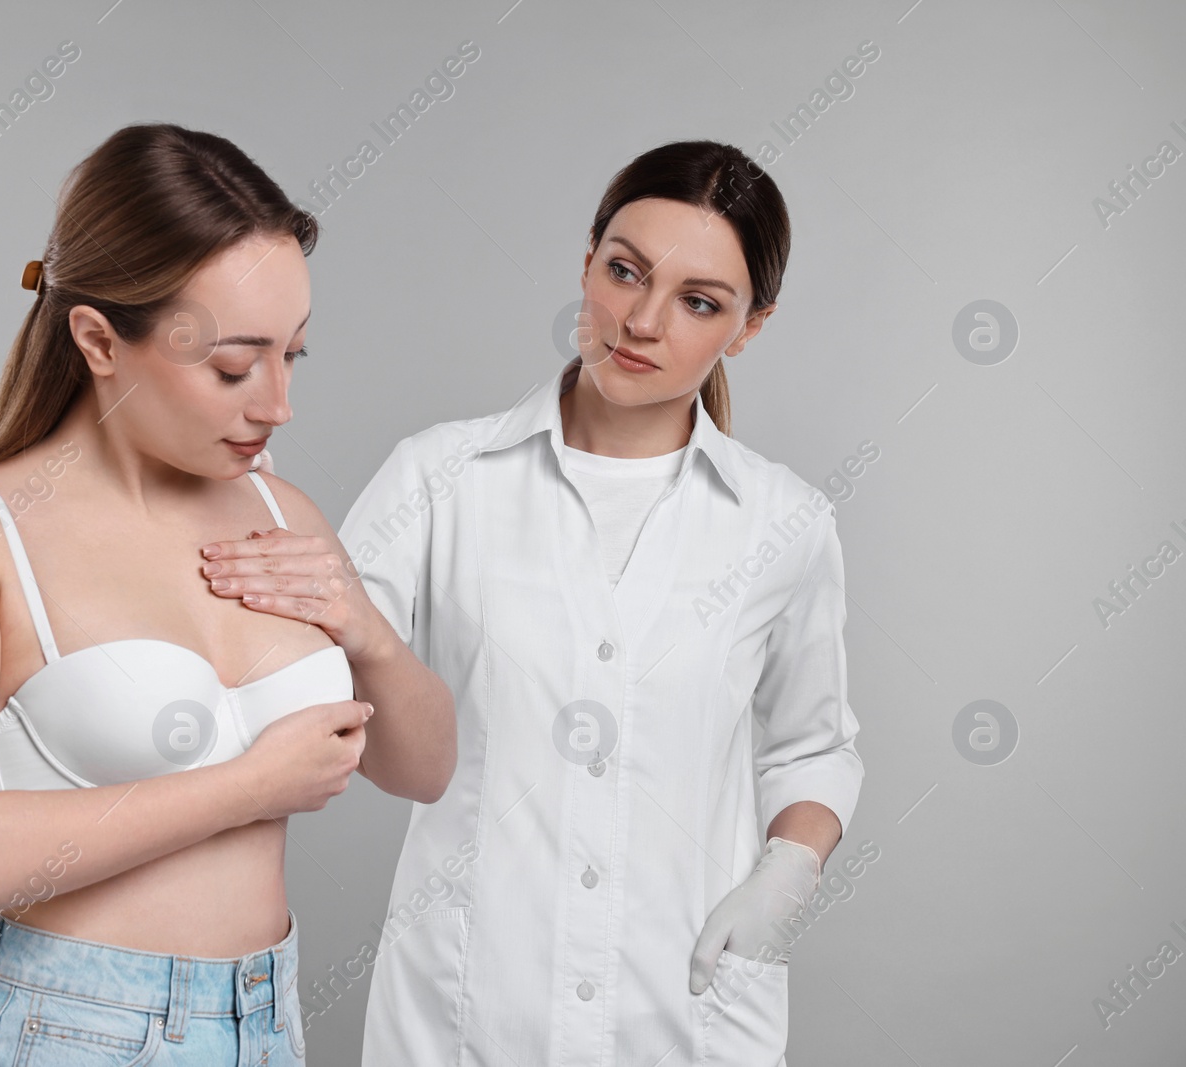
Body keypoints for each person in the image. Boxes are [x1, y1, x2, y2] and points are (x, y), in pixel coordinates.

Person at [0, 122, 455, 1067]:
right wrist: (248, 789)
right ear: (98, 339)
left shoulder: (278, 507)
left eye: (293, 355)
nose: (276, 405)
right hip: (70, 1026)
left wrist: (366, 628)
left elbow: (422, 769)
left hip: (265, 1022)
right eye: (231, 366)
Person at [334, 140, 865, 1065]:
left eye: (700, 302)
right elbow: (315, 677)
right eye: (626, 272)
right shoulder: (438, 479)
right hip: (462, 1019)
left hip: (681, 1018)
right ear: (587, 261)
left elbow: (812, 747)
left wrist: (787, 872)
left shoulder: (785, 524)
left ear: (749, 326)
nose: (643, 321)